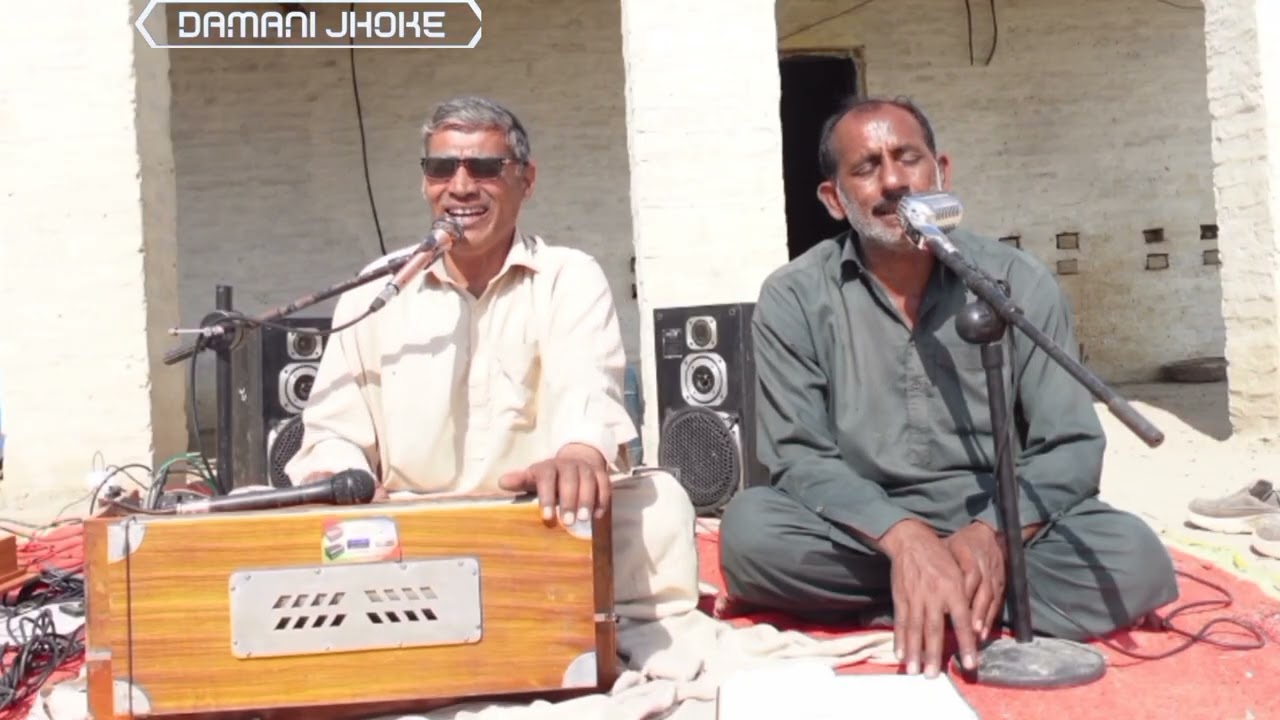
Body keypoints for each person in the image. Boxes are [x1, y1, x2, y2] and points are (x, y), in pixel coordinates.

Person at [717, 96, 1178, 679]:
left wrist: (990, 535)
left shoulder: (1017, 282)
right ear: (834, 199)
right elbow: (799, 456)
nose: (893, 181)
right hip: (862, 529)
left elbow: (1071, 446)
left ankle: (907, 604)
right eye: (865, 168)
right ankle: (948, 598)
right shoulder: (794, 297)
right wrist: (906, 539)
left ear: (942, 172)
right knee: (752, 535)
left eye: (908, 158)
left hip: (1002, 526)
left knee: (1131, 559)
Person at [286, 95, 699, 625]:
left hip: (540, 518)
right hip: (406, 521)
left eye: (484, 168)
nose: (460, 187)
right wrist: (345, 479)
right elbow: (333, 429)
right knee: (276, 513)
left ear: (526, 180)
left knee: (661, 507)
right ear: (425, 182)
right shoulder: (381, 289)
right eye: (441, 169)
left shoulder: (568, 276)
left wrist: (577, 453)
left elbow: (588, 388)